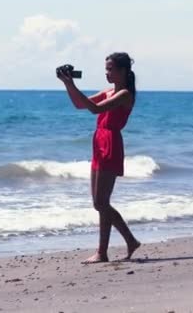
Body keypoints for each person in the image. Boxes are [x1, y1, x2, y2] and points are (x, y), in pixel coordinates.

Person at [57, 52, 141, 264]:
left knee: (101, 202)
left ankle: (123, 243)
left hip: (110, 143)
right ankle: (108, 250)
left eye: (111, 69)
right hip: (99, 141)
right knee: (100, 202)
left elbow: (94, 109)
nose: (107, 73)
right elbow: (79, 105)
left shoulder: (124, 95)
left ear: (123, 71)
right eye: (106, 69)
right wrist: (68, 84)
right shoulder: (108, 91)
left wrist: (72, 84)